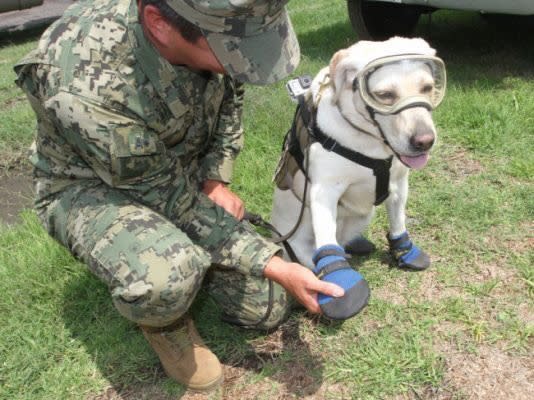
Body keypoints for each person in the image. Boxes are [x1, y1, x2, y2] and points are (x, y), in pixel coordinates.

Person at [14, 0, 346, 392]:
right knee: (168, 276)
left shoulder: (218, 30)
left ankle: (193, 258)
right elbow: (166, 196)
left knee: (268, 306)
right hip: (90, 188)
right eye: (229, 50)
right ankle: (166, 324)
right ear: (159, 23)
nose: (238, 62)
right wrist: (272, 263)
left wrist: (214, 180)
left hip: (173, 171)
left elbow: (229, 99)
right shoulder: (84, 80)